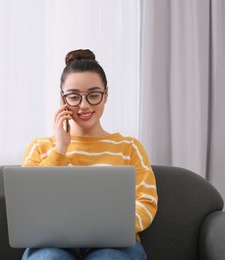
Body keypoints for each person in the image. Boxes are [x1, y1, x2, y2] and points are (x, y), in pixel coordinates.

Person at [21, 49, 158, 260]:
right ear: (62, 99)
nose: (84, 106)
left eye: (94, 95)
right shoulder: (39, 147)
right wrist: (60, 148)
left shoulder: (130, 147)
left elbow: (146, 200)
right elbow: (29, 203)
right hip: (53, 244)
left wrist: (114, 229)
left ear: (106, 95)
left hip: (115, 244)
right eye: (74, 97)